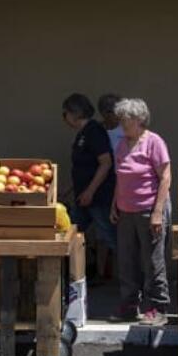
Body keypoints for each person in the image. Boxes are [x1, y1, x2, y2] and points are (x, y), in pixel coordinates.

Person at [110, 98, 170, 327]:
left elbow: (166, 177)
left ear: (139, 120)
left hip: (147, 210)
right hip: (125, 211)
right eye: (121, 120)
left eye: (126, 120)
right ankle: (128, 305)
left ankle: (157, 307)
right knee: (126, 261)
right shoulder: (122, 144)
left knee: (152, 261)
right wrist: (114, 204)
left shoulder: (154, 142)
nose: (122, 125)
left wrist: (157, 212)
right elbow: (120, 176)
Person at [62, 93, 117, 283]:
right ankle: (74, 276)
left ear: (75, 113)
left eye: (66, 113)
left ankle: (135, 280)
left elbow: (106, 162)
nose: (64, 118)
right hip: (83, 198)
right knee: (73, 233)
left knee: (111, 237)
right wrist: (67, 191)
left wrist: (90, 191)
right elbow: (81, 169)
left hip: (98, 197)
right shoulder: (82, 134)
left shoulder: (94, 132)